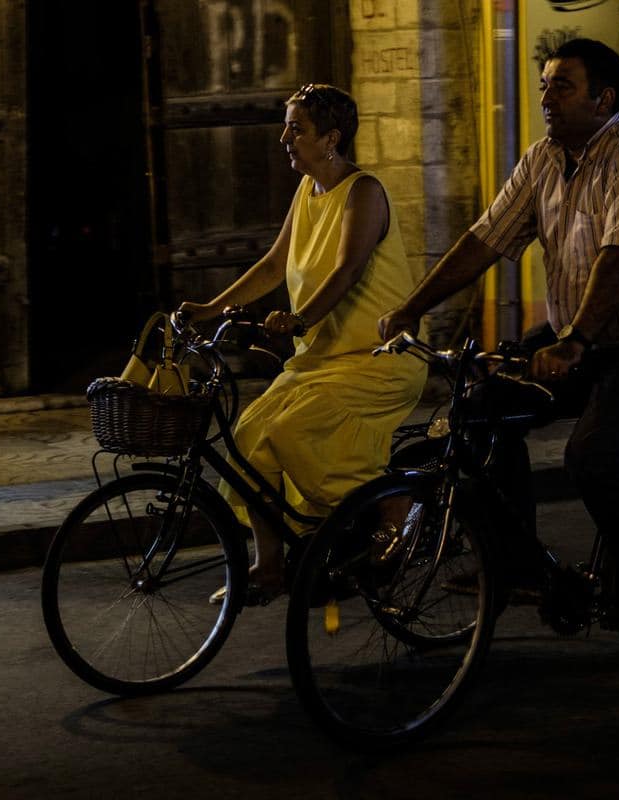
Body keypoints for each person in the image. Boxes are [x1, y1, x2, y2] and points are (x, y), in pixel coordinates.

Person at [379, 39, 619, 652]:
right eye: (544, 86)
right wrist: (412, 308)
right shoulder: (542, 159)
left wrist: (574, 342)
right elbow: (484, 240)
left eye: (562, 86)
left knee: (593, 455)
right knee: (480, 409)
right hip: (587, 337)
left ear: (604, 99)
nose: (546, 98)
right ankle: (513, 565)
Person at [179, 84, 427, 604]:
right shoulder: (308, 190)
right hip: (319, 360)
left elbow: (347, 269)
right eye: (286, 127)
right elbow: (274, 264)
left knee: (293, 432)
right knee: (250, 438)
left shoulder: (363, 191)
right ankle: (269, 566)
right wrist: (208, 309)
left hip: (377, 359)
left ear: (331, 138)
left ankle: (393, 503)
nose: (284, 139)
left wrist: (298, 319)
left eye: (297, 129)